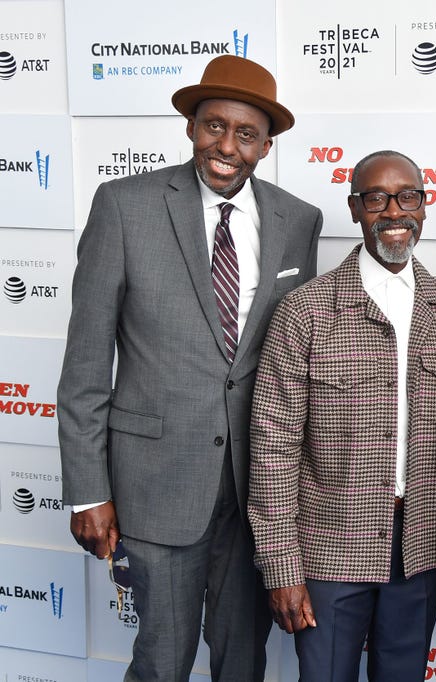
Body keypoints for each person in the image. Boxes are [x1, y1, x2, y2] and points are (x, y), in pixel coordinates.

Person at [57, 55, 323, 681]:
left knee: (243, 662)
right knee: (161, 662)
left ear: (267, 143)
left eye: (246, 133)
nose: (226, 145)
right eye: (213, 126)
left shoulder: (297, 221)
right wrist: (89, 490)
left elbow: (291, 361)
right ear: (191, 127)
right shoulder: (124, 205)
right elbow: (86, 362)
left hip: (256, 491)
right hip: (157, 487)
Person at [248, 150, 436, 681]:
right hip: (326, 551)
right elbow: (273, 443)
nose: (394, 211)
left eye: (408, 196)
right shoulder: (307, 310)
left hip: (422, 544)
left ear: (425, 205)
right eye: (376, 198)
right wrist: (281, 565)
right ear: (354, 208)